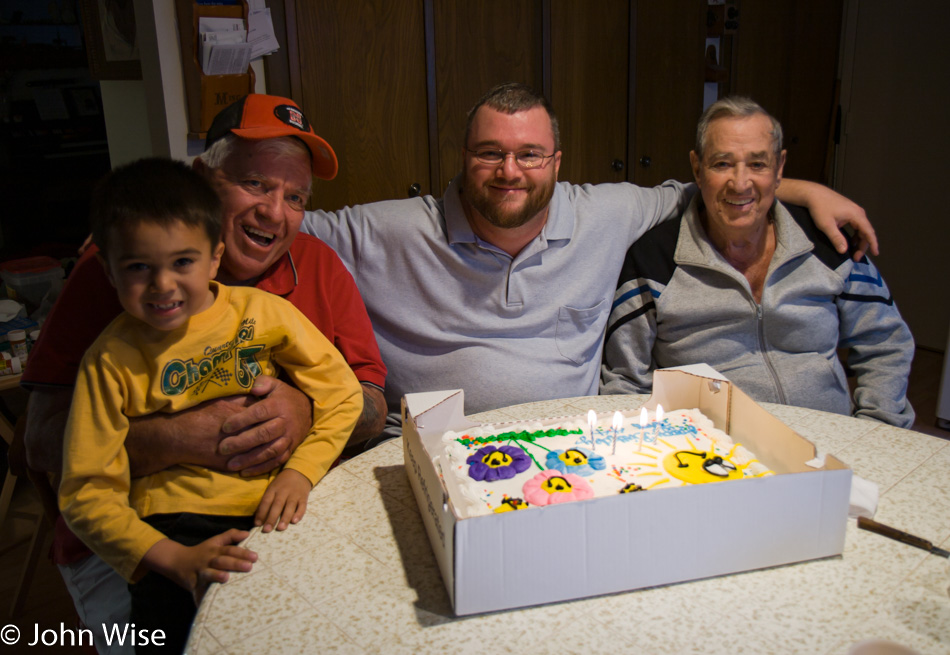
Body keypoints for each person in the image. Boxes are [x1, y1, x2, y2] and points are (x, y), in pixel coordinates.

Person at [299, 82, 880, 434]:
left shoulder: (608, 213)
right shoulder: (391, 230)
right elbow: (276, 225)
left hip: (570, 453)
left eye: (530, 154)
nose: (510, 172)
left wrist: (802, 191)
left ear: (557, 160)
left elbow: (716, 186)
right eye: (489, 153)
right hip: (433, 448)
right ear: (462, 157)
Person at [22, 95, 386, 655]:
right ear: (202, 179)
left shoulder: (315, 265)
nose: (275, 212)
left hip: (281, 510)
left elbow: (370, 402)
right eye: (256, 185)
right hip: (135, 539)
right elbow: (42, 443)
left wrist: (302, 414)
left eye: (295, 197)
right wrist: (171, 438)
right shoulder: (122, 271)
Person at [600, 97, 914, 427]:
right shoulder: (654, 261)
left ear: (779, 168)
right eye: (722, 164)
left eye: (758, 165)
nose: (740, 183)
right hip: (712, 454)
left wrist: (876, 429)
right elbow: (624, 382)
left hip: (830, 441)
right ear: (697, 168)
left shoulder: (827, 244)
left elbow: (885, 342)